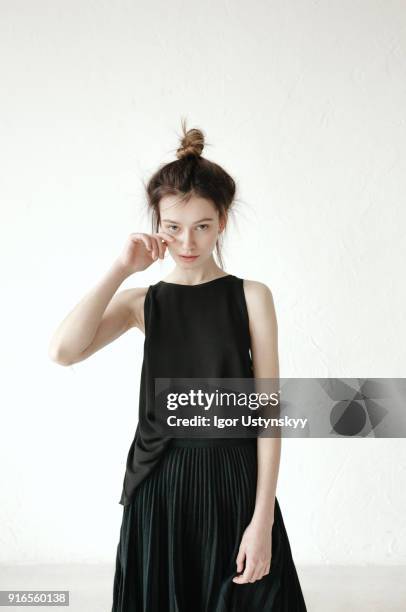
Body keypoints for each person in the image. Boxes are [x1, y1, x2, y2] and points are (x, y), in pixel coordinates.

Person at [49, 119, 307, 611]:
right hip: (162, 486)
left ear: (222, 221)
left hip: (234, 481)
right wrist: (121, 268)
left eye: (202, 227)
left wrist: (263, 520)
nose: (187, 243)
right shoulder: (143, 301)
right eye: (173, 228)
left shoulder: (251, 297)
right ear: (157, 225)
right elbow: (64, 351)